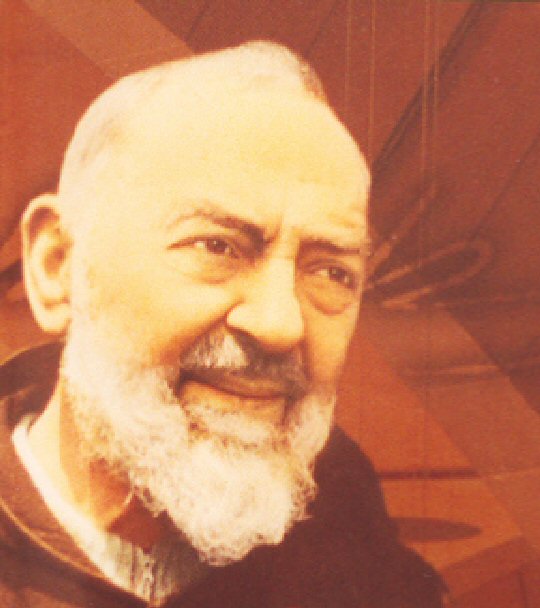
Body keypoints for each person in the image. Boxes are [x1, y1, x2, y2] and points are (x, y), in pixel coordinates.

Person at [0, 41, 446, 607]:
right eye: (217, 247)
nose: (280, 324)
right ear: (58, 265)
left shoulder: (356, 550)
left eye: (331, 272)